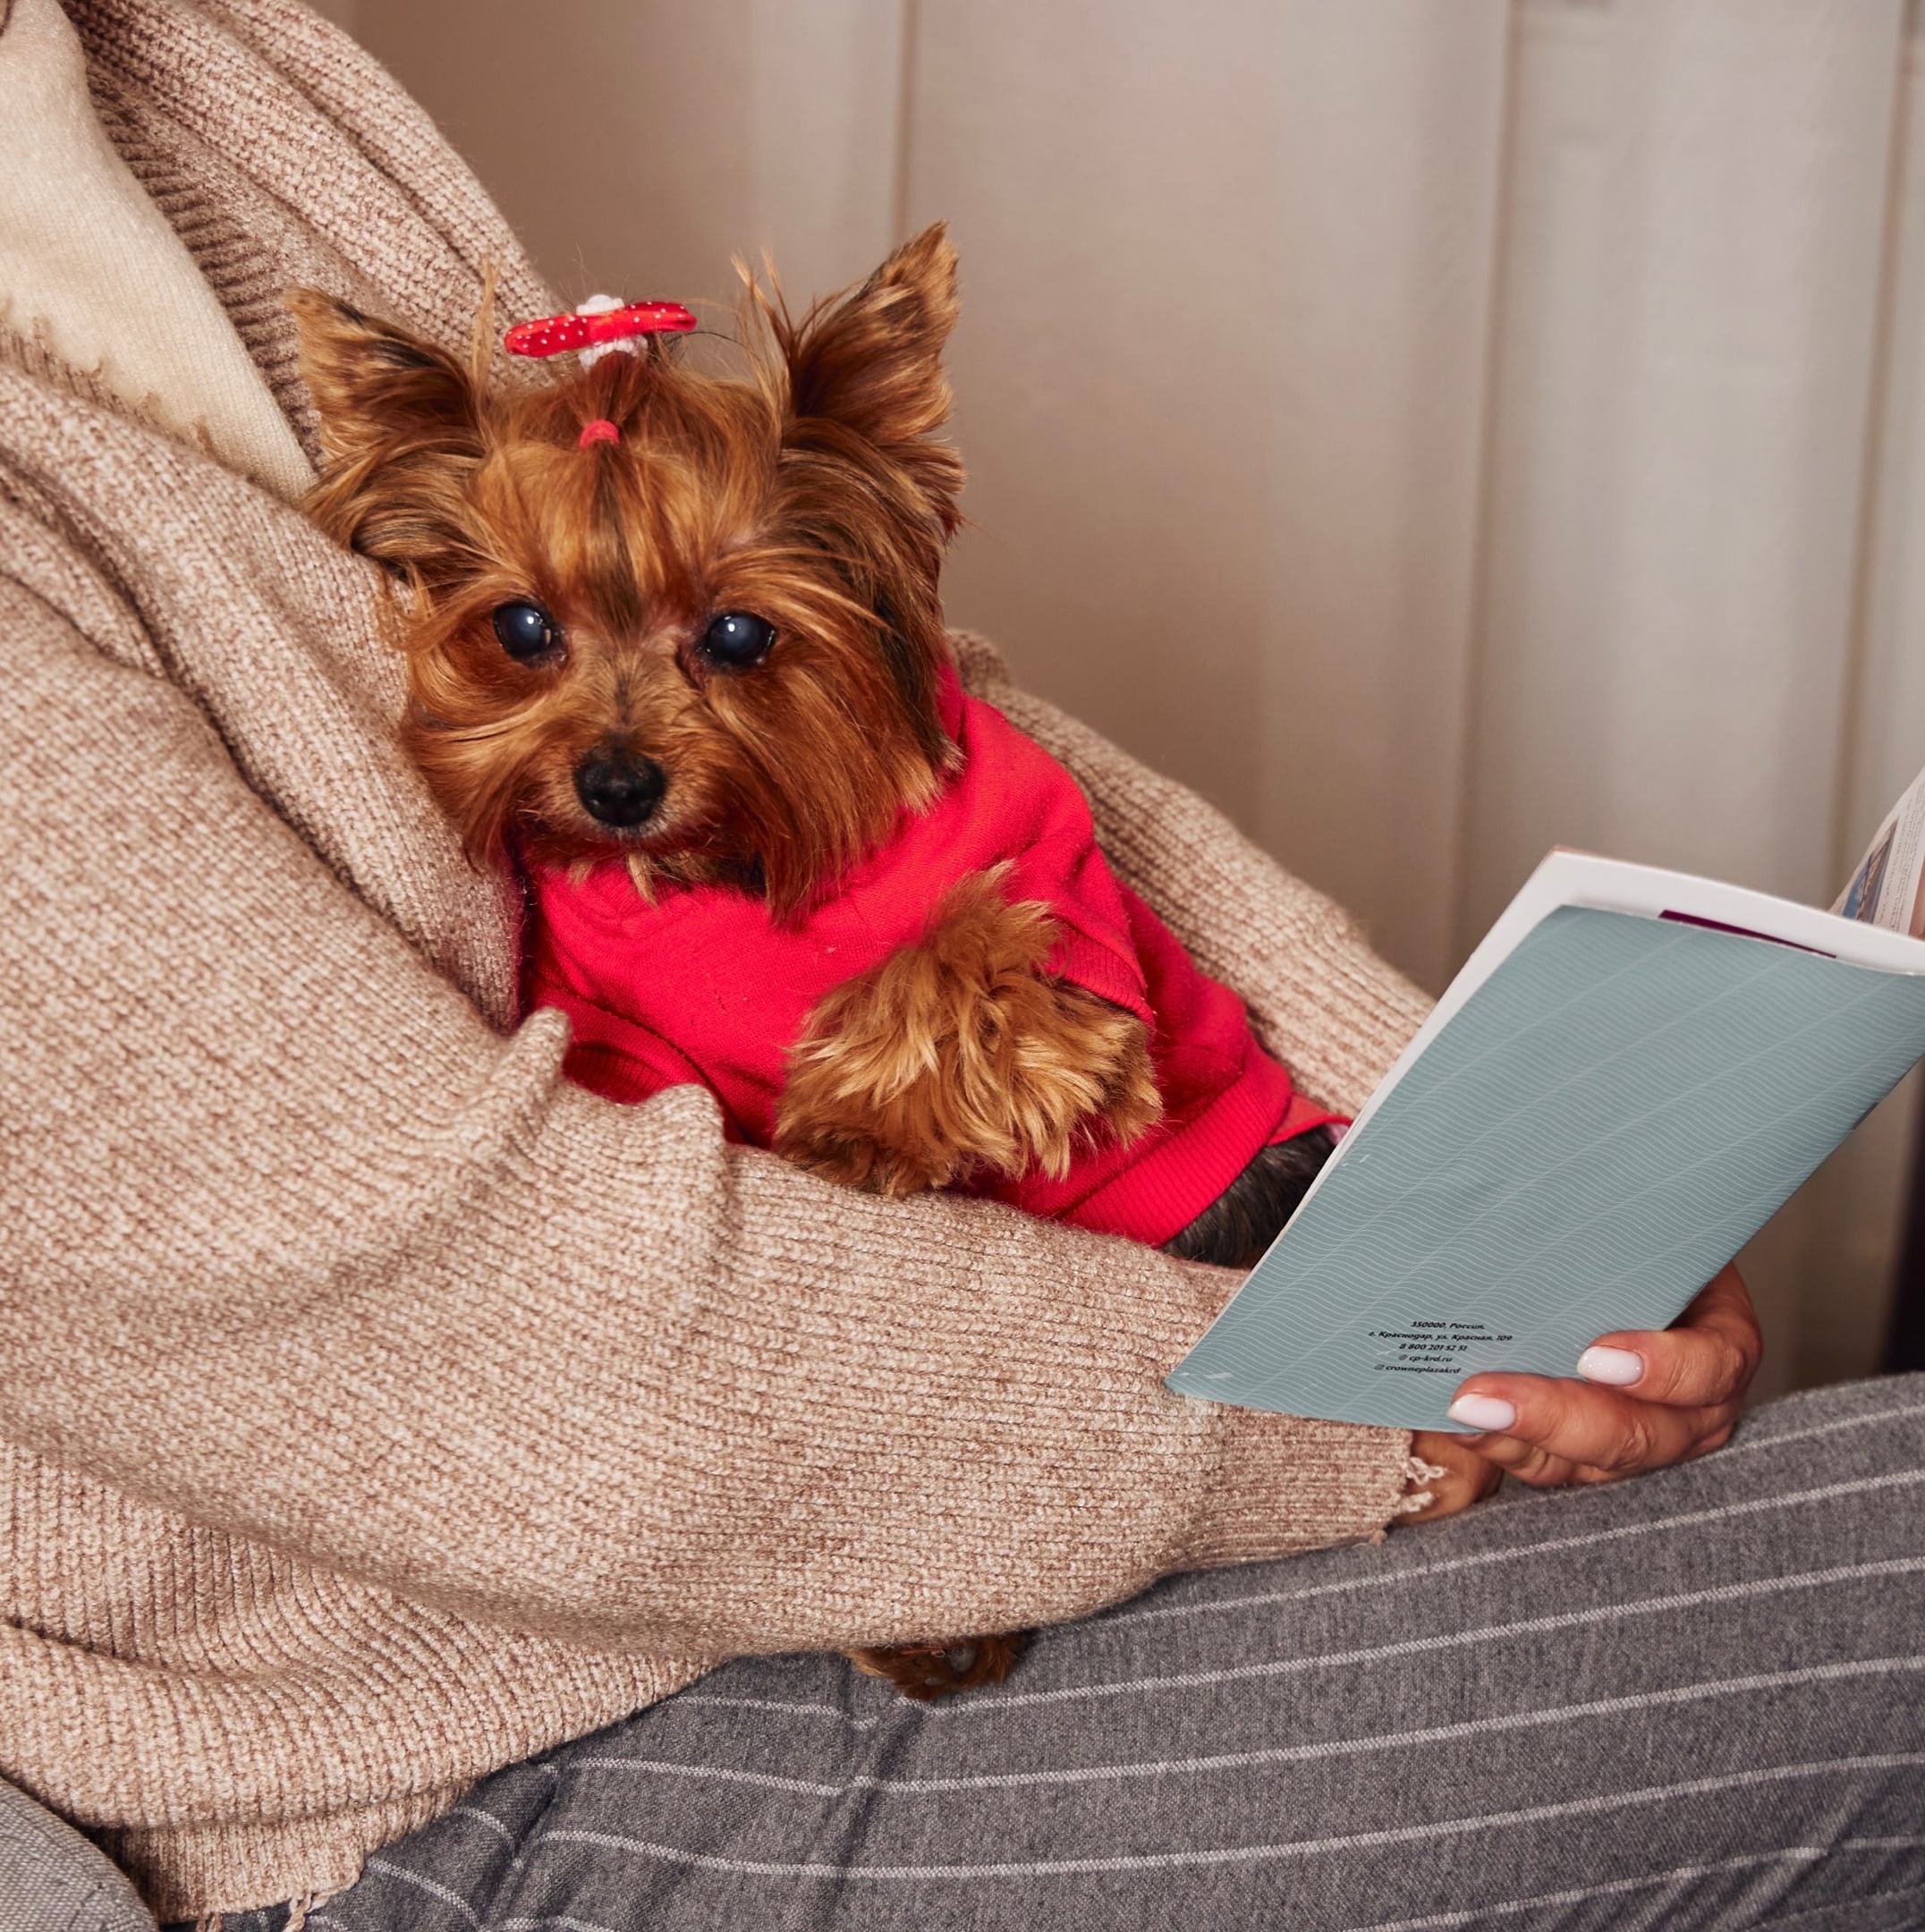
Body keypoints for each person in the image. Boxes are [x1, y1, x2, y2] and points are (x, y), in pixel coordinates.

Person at [0, 3, 1918, 1928]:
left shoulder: (188, 57)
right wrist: (1395, 1415)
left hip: (979, 1430)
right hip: (440, 1759)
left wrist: (1486, 1173)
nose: (620, 739)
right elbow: (523, 1363)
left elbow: (933, 726)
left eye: (716, 646)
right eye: (531, 644)